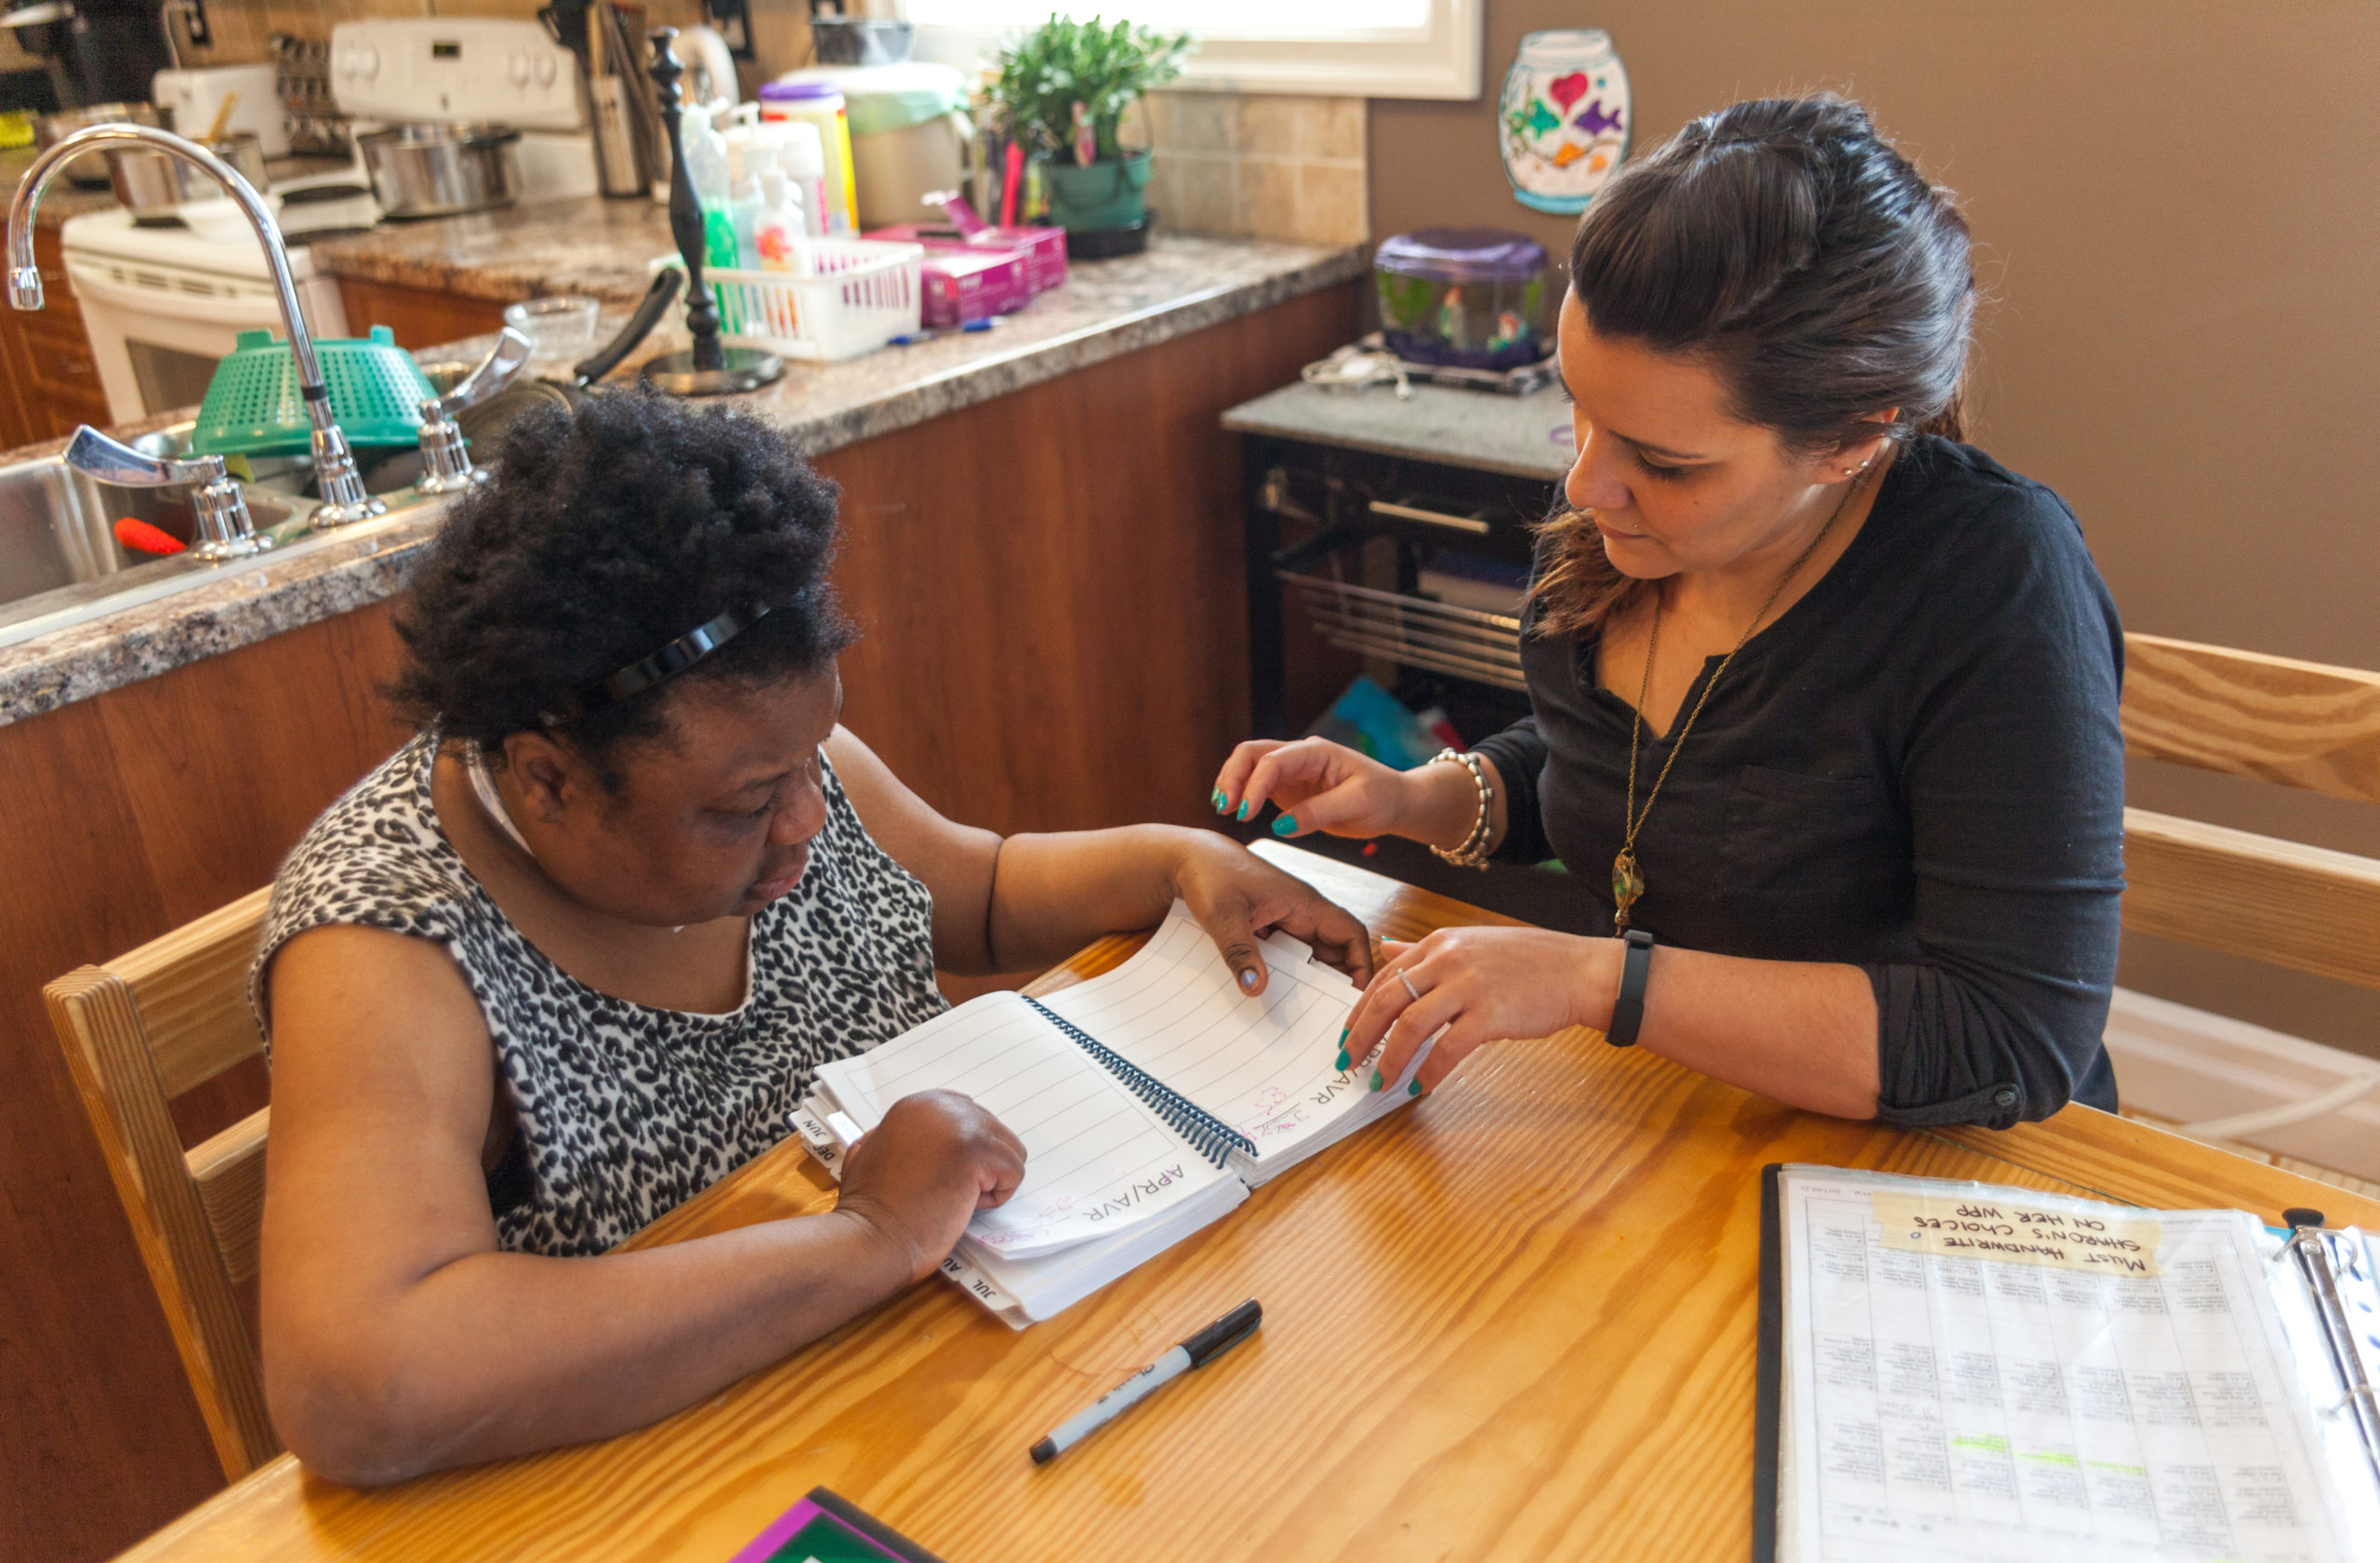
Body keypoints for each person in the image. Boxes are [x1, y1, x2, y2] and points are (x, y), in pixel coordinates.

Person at [256, 391, 1373, 1486]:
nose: (807, 818)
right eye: (746, 804)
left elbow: (974, 891)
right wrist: (868, 1236)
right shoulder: (390, 936)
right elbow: (363, 1384)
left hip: (945, 1374)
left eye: (814, 758)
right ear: (547, 775)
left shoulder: (753, 742)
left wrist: (1178, 862)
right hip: (691, 1474)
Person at [1215, 95, 2124, 1128]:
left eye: (1663, 461)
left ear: (1850, 443)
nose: (1590, 483)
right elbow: (1619, 771)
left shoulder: (1993, 583)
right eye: (1580, 408)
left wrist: (1594, 981)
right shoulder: (1623, 528)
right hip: (1680, 1109)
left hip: (1918, 1166)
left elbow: (2009, 1033)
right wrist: (1413, 799)